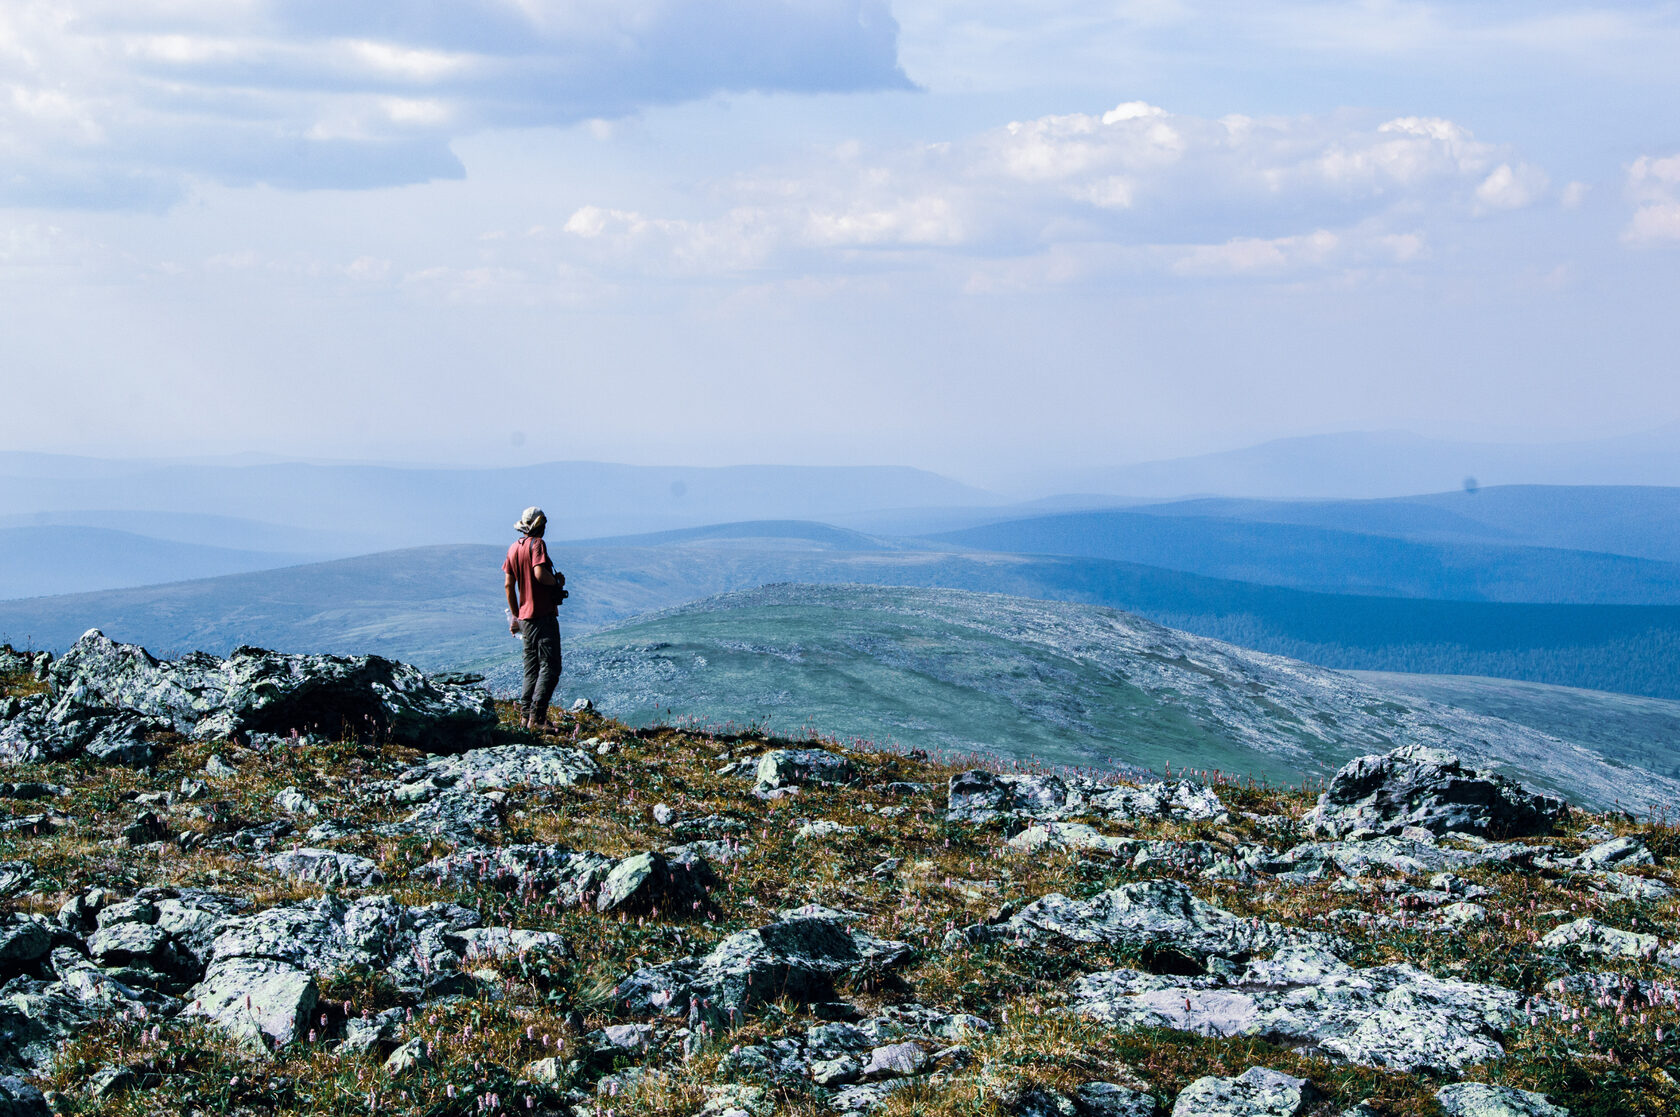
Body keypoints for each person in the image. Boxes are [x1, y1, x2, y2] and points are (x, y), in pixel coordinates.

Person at [503, 506, 565, 730]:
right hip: (543, 616)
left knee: (531, 668)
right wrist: (557, 583)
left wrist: (516, 616)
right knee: (550, 666)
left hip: (526, 619)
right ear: (539, 525)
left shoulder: (513, 548)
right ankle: (537, 719)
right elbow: (539, 573)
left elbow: (509, 585)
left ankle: (524, 717)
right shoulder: (537, 544)